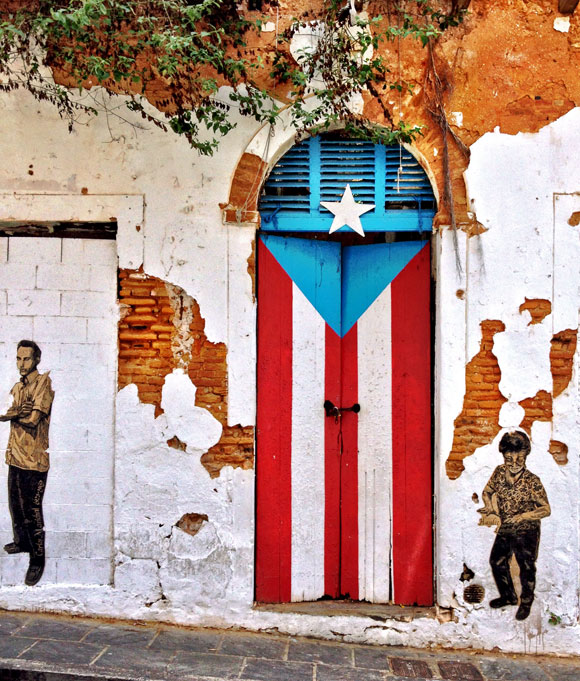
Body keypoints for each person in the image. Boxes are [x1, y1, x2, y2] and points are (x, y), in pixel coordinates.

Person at [478, 430, 551, 621]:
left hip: (527, 529)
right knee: (497, 561)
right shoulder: (499, 472)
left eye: (519, 457)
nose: (514, 462)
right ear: (504, 455)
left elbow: (545, 509)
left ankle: (526, 602)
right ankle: (508, 596)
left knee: (526, 566)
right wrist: (491, 508)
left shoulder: (532, 481)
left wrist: (523, 516)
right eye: (509, 457)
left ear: (525, 455)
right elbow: (487, 492)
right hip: (506, 526)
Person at [0, 340, 54, 586]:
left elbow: (32, 420)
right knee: (16, 506)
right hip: (15, 457)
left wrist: (14, 414)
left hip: (34, 460)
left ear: (37, 360)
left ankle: (37, 560)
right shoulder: (17, 387)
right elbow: (4, 412)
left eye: (27, 359)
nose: (22, 364)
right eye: (18, 359)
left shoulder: (43, 383)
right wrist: (15, 411)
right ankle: (21, 543)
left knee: (32, 513)